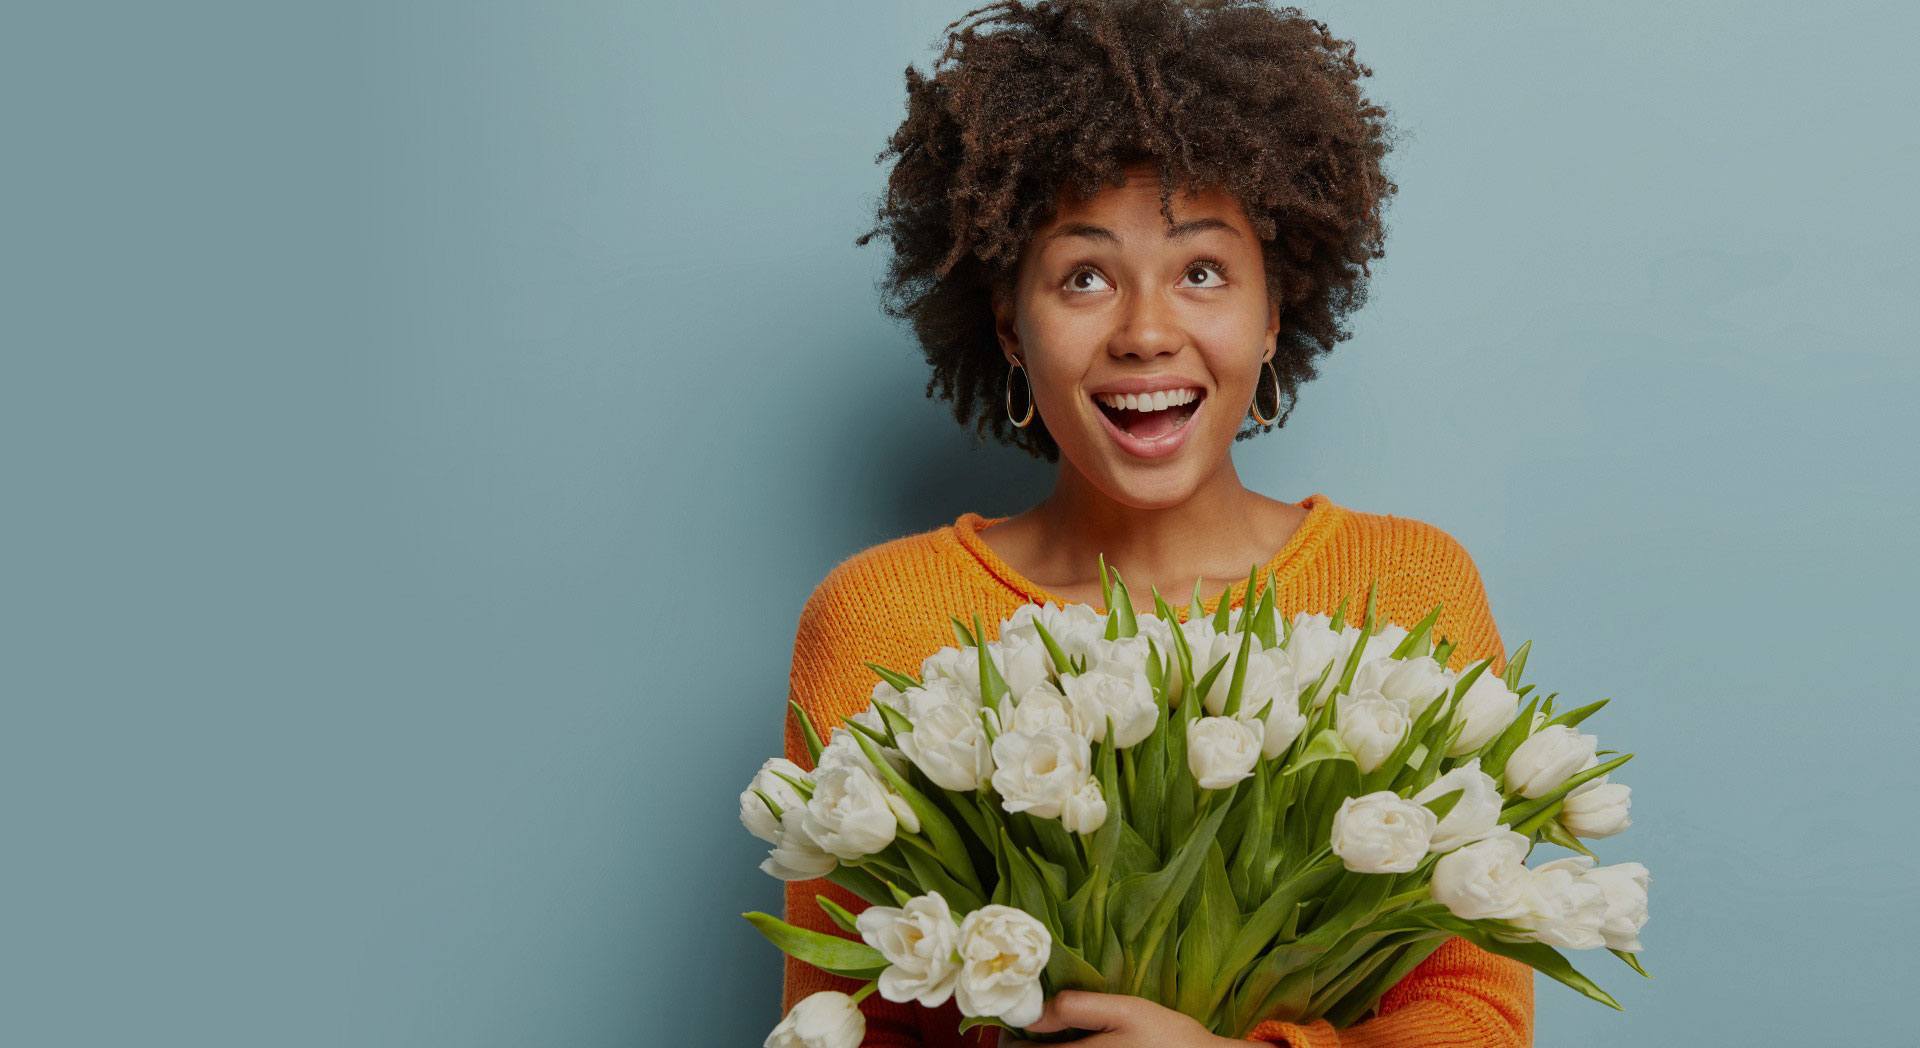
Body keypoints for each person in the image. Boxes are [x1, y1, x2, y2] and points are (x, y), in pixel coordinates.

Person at [778, 1, 1532, 1044]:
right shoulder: (881, 618)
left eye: (1203, 272)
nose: (1144, 332)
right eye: (1083, 276)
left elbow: (1476, 1012)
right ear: (1009, 327)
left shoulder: (1406, 587)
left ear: (1275, 312)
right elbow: (844, 1018)